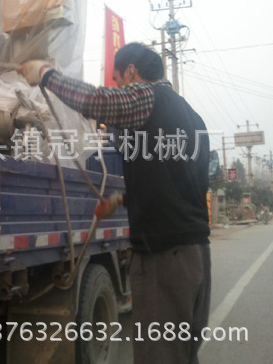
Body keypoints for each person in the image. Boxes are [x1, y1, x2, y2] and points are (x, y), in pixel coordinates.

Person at [18, 42, 211, 364]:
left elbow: (97, 101)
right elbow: (181, 185)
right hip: (195, 253)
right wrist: (121, 200)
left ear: (131, 72)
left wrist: (45, 74)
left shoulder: (148, 97)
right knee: (181, 353)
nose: (119, 87)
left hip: (164, 257)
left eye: (118, 80)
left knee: (159, 355)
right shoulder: (194, 119)